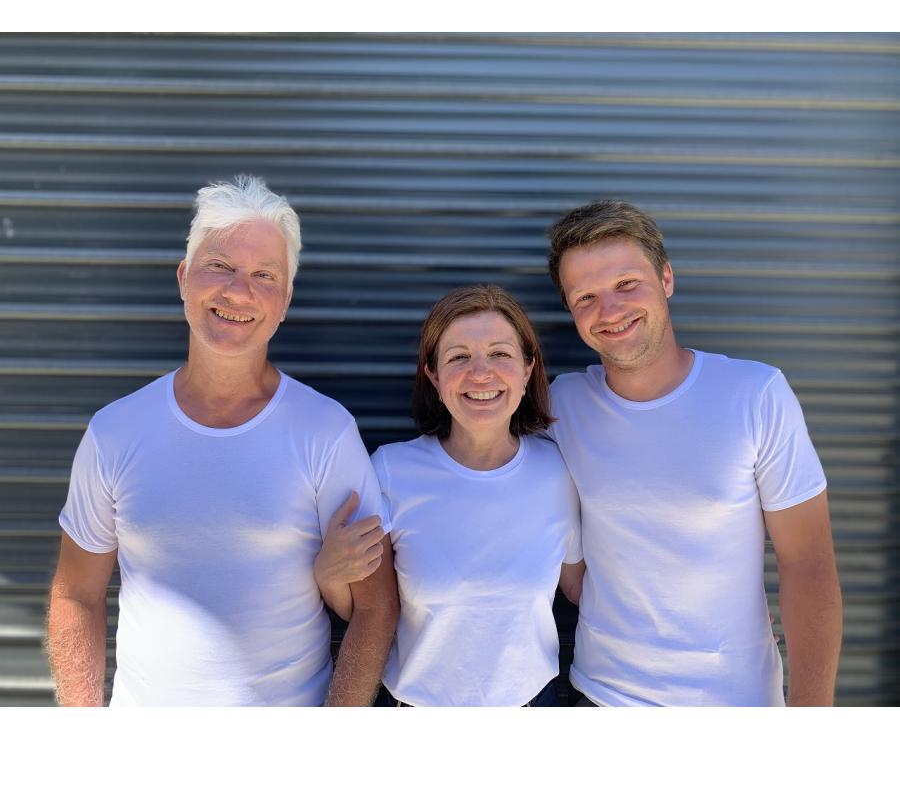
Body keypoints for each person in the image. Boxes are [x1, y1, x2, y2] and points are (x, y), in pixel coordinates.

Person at [46, 175, 399, 706]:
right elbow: (76, 594)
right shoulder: (115, 432)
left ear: (285, 299)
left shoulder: (325, 432)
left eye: (264, 274)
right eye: (219, 266)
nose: (238, 291)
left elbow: (376, 607)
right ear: (184, 278)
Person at [545, 199, 843, 706]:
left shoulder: (755, 394)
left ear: (666, 279)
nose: (609, 311)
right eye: (586, 297)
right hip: (600, 697)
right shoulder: (563, 404)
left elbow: (807, 563)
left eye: (626, 284)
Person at [315, 285, 584, 706]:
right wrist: (327, 575)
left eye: (500, 353)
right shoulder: (390, 470)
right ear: (434, 376)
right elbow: (364, 610)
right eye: (459, 357)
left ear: (527, 370)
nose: (481, 373)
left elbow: (580, 587)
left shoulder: (559, 471)